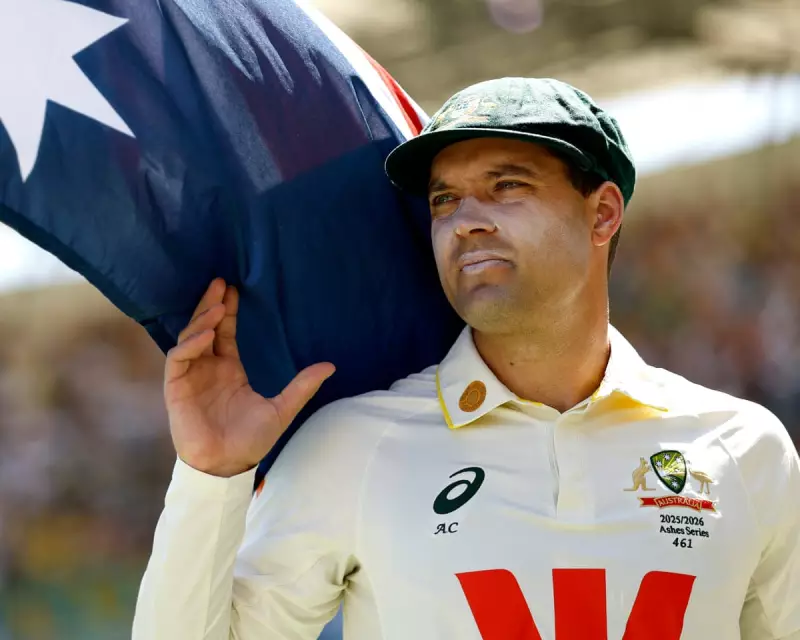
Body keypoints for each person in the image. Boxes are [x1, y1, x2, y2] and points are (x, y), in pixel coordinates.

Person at [132, 78, 800, 639]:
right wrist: (209, 476)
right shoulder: (351, 447)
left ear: (602, 214)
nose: (464, 220)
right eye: (444, 199)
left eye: (507, 185)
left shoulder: (745, 449)